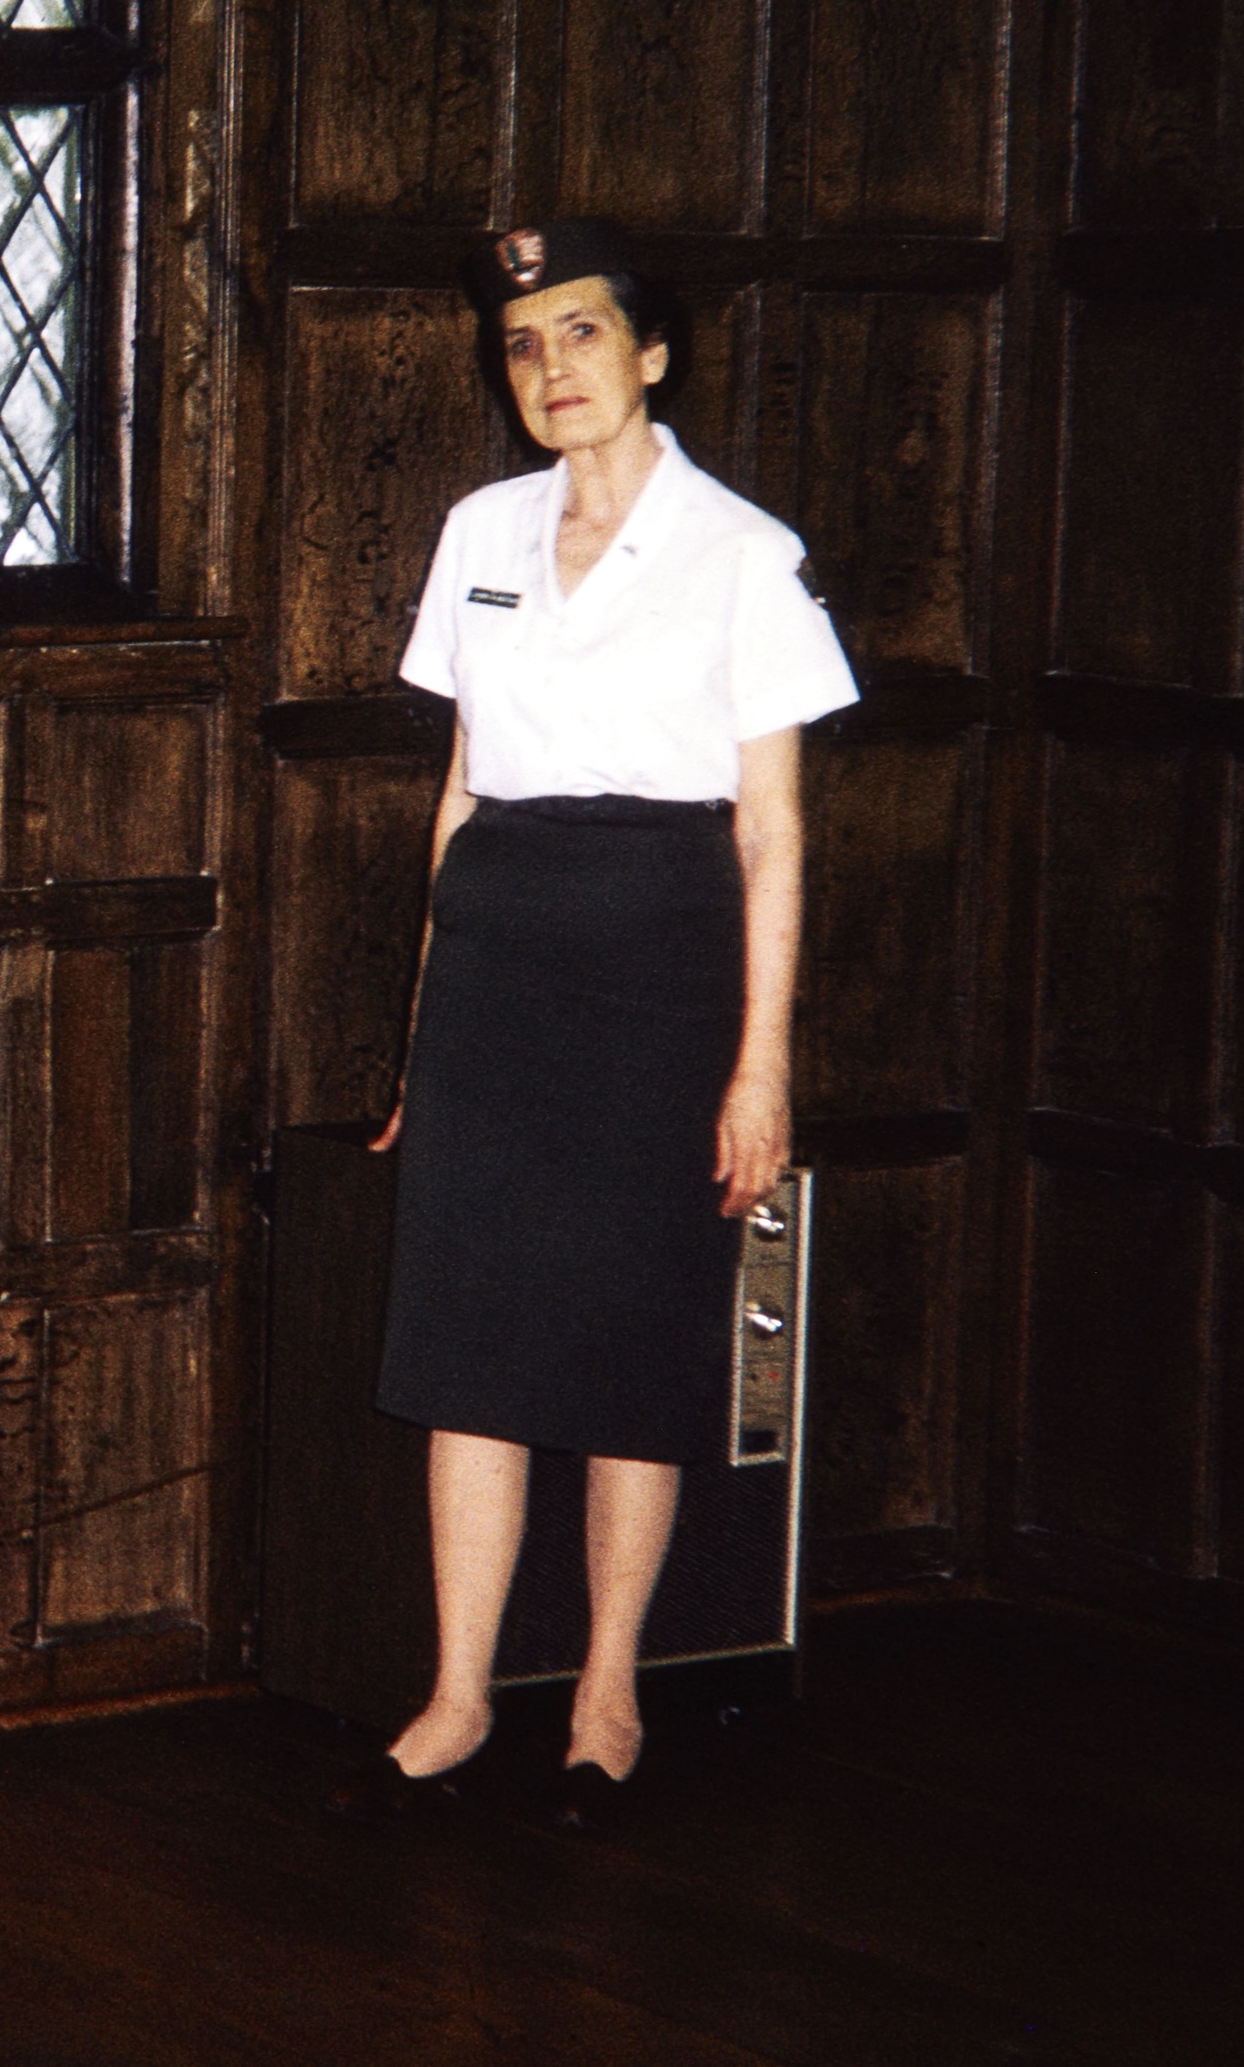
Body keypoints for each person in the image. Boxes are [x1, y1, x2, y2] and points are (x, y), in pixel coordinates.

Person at [335, 217, 857, 1831]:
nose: (550, 366)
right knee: (470, 1339)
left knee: (636, 1335)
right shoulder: (479, 530)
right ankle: (458, 1694)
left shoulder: (743, 553)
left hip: (660, 954)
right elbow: (457, 794)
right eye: (522, 342)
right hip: (500, 955)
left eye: (582, 332)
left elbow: (773, 830)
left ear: (652, 355)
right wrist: (421, 1041)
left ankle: (610, 1692)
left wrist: (760, 1063)